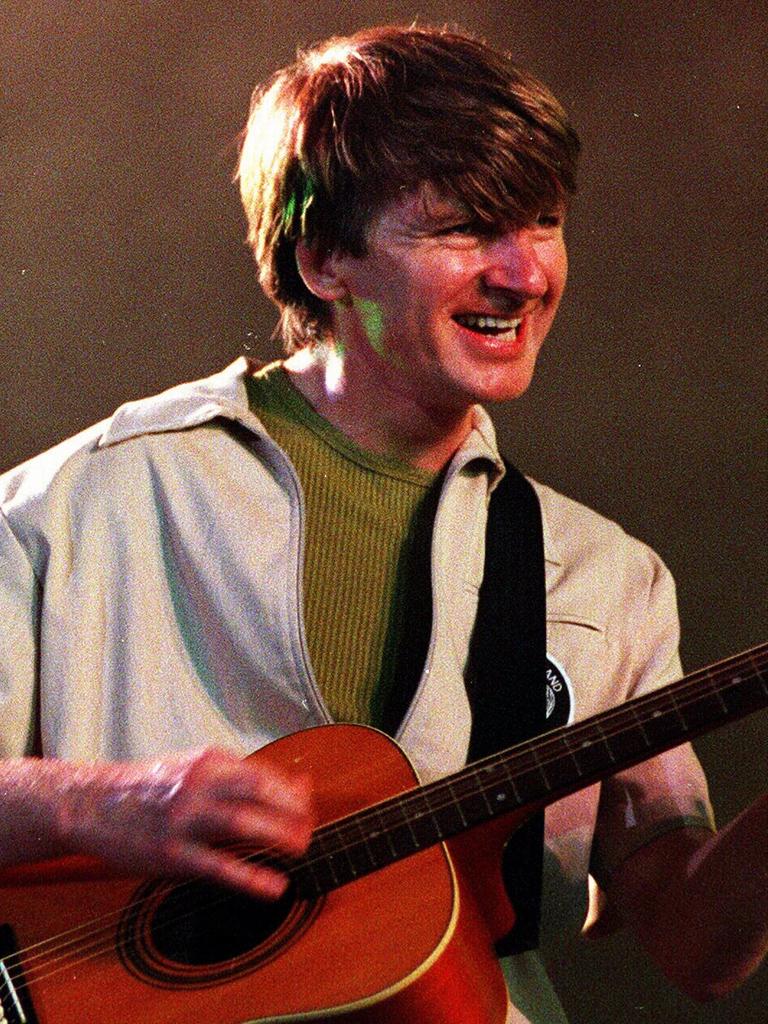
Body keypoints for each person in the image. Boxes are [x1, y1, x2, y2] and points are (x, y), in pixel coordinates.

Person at [0, 24, 765, 1024]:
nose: (524, 273)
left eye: (541, 220)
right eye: (462, 229)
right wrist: (95, 802)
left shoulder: (601, 575)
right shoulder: (80, 502)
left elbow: (698, 946)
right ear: (324, 260)